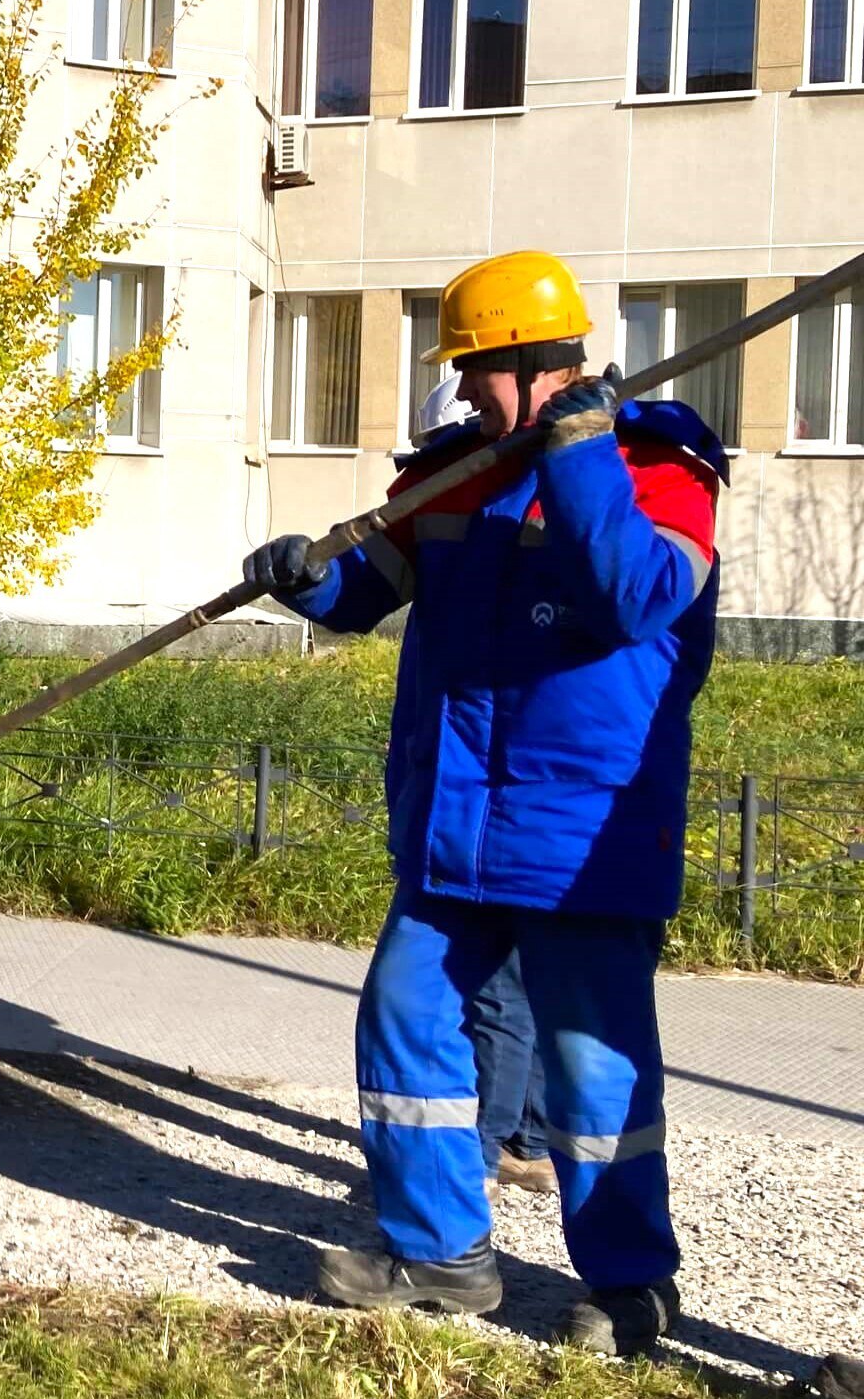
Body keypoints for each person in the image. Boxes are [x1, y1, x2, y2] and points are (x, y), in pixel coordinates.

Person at [244, 251, 726, 1357]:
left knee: (591, 1070)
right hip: (456, 821)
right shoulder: (459, 470)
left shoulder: (657, 468)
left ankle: (632, 1284)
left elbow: (639, 599)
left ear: (526, 361)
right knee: (403, 1016)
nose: (461, 393)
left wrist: (580, 459)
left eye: (473, 370)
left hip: (582, 831)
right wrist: (305, 576)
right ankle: (442, 1255)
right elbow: (365, 593)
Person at [415, 376, 556, 1202]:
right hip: (488, 800)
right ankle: (527, 1139)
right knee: (522, 992)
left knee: (498, 995)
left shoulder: (515, 505)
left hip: (497, 809)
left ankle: (488, 1148)